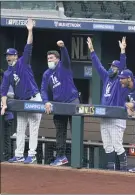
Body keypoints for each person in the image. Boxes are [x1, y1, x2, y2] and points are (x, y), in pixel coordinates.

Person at [0, 18, 42, 164]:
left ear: (16, 56)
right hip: (21, 102)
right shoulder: (6, 73)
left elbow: (28, 45)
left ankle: (32, 154)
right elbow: (3, 92)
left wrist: (30, 30)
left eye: (10, 55)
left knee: (33, 128)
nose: (8, 58)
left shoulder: (23, 62)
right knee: (20, 127)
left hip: (34, 98)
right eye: (7, 56)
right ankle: (18, 155)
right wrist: (4, 104)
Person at [87, 36, 129, 171]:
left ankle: (124, 169)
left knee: (117, 145)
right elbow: (98, 66)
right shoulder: (106, 77)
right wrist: (92, 50)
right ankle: (111, 170)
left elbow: (123, 66)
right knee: (107, 145)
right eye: (111, 66)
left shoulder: (120, 80)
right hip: (105, 117)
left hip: (117, 117)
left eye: (114, 67)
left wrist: (122, 51)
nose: (111, 68)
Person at [41, 40, 79, 166]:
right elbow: (43, 90)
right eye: (48, 58)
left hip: (72, 101)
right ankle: (61, 157)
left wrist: (63, 47)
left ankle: (78, 158)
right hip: (58, 104)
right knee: (60, 131)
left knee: (76, 130)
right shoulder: (47, 74)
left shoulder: (64, 66)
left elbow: (66, 58)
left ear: (57, 59)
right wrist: (46, 102)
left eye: (51, 58)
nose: (49, 60)